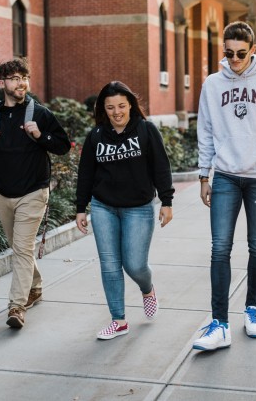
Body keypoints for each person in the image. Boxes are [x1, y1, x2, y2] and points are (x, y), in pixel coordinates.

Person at [192, 21, 256, 351]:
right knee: (220, 247)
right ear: (223, 50)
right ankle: (219, 323)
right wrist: (204, 176)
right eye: (228, 53)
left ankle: (252, 310)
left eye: (240, 53)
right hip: (224, 175)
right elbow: (205, 132)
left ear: (253, 50)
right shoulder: (211, 84)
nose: (234, 59)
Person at [0, 57, 71, 329]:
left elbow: (63, 145)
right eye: (15, 78)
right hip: (3, 193)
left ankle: (17, 306)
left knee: (21, 248)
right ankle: (36, 286)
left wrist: (41, 136)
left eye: (24, 77)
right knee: (19, 249)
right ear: (3, 83)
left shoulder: (39, 114)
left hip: (33, 192)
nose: (21, 83)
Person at [75, 81, 175, 340]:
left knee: (134, 264)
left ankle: (147, 287)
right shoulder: (96, 136)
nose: (116, 112)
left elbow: (161, 168)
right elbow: (85, 174)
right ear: (103, 109)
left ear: (131, 104)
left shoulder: (146, 130)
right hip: (103, 207)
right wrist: (80, 208)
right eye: (110, 107)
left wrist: (166, 201)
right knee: (110, 265)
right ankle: (118, 320)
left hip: (138, 209)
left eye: (121, 105)